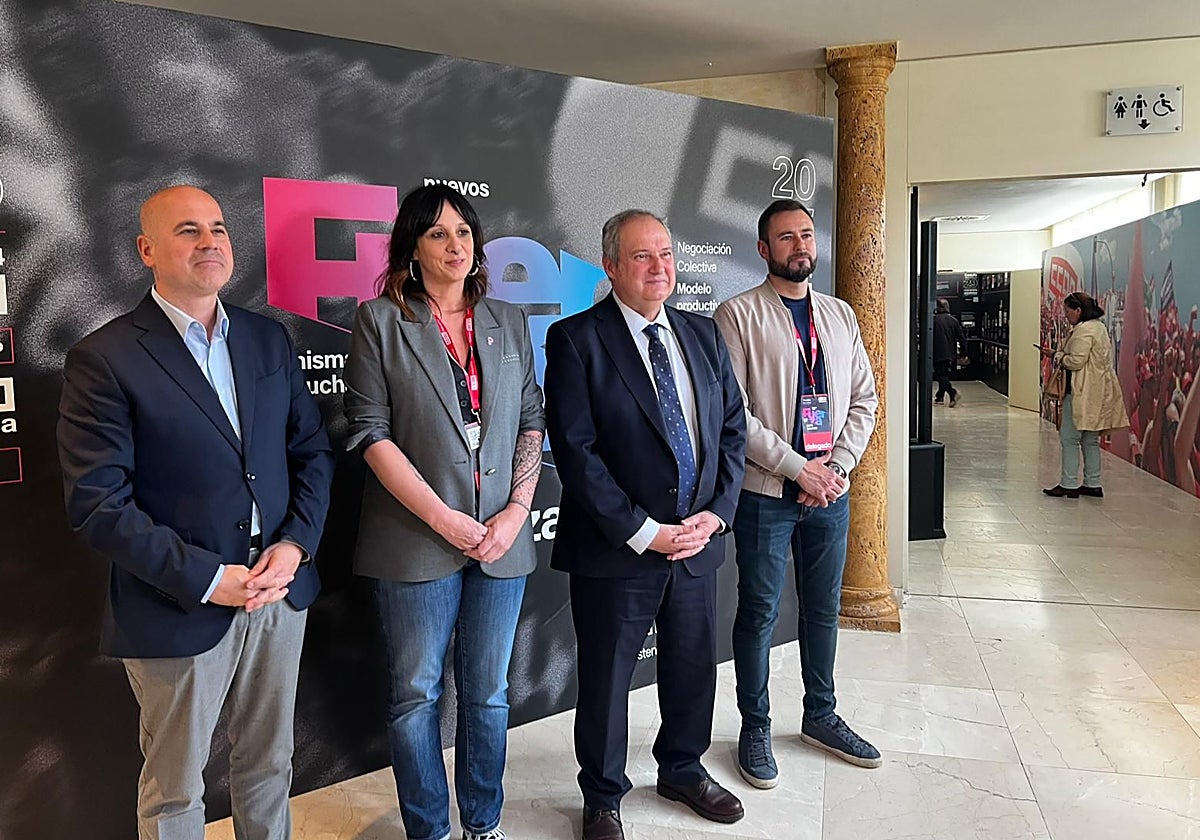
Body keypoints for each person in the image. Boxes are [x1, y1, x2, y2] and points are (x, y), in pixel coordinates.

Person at [56, 185, 334, 840]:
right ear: (146, 250)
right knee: (176, 789)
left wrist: (294, 548)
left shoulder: (267, 340)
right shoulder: (105, 358)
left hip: (278, 594)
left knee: (269, 764)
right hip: (177, 604)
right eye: (188, 230)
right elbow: (98, 504)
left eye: (217, 228)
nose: (209, 241)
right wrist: (211, 579)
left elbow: (312, 454)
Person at [343, 184, 544, 840]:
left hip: (502, 540)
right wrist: (443, 518)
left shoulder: (507, 321)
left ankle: (482, 824)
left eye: (464, 232)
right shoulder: (380, 321)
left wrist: (516, 510)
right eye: (438, 234)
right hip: (413, 539)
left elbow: (530, 421)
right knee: (416, 698)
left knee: (487, 697)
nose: (456, 245)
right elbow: (370, 433)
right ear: (412, 248)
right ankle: (428, 829)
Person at [544, 210, 747, 840]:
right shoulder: (576, 339)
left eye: (665, 253)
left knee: (692, 665)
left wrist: (716, 513)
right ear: (610, 268)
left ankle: (683, 767)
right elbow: (575, 452)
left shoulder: (703, 335)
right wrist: (644, 531)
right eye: (641, 256)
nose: (659, 267)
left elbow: (732, 429)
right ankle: (603, 796)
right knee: (606, 680)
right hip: (619, 549)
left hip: (696, 541)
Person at [712, 199, 881, 790]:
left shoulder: (840, 314)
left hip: (829, 492)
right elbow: (736, 414)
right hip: (765, 493)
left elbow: (865, 399)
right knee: (758, 613)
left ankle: (820, 715)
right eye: (786, 237)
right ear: (764, 250)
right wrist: (795, 469)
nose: (799, 245)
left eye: (806, 234)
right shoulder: (736, 314)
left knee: (822, 609)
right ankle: (754, 726)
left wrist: (834, 466)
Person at [1043, 291, 1129, 498]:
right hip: (1098, 391)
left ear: (1078, 310)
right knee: (1090, 440)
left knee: (1070, 438)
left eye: (1067, 311)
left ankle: (1069, 483)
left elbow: (1076, 361)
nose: (1066, 315)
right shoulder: (1099, 328)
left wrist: (1057, 355)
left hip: (1080, 391)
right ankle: (1093, 482)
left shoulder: (1083, 332)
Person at [932, 297, 967, 406]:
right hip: (950, 354)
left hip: (937, 353)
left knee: (941, 375)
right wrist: (963, 353)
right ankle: (939, 397)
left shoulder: (933, 320)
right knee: (944, 374)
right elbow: (961, 338)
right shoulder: (954, 321)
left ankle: (953, 393)